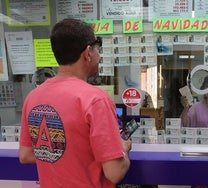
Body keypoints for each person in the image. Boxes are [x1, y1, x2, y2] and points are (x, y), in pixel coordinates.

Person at [19, 18, 132, 188]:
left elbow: (26, 154)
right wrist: (124, 149)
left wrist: (67, 152)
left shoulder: (33, 97)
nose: (99, 56)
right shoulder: (95, 100)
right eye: (98, 50)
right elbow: (114, 172)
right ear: (88, 53)